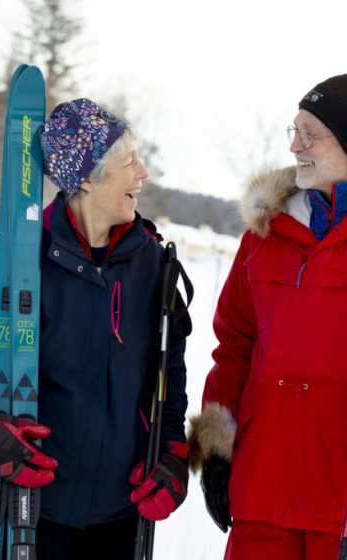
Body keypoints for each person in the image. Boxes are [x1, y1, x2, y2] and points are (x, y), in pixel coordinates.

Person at [0, 98, 191, 559]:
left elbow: (168, 376)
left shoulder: (151, 263)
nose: (143, 173)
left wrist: (172, 453)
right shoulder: (19, 254)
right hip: (34, 514)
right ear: (90, 178)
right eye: (129, 160)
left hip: (121, 514)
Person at [187, 73, 347, 560]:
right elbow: (233, 344)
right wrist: (216, 453)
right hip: (263, 484)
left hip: (336, 498)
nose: (296, 145)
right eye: (293, 131)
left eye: (311, 133)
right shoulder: (265, 234)